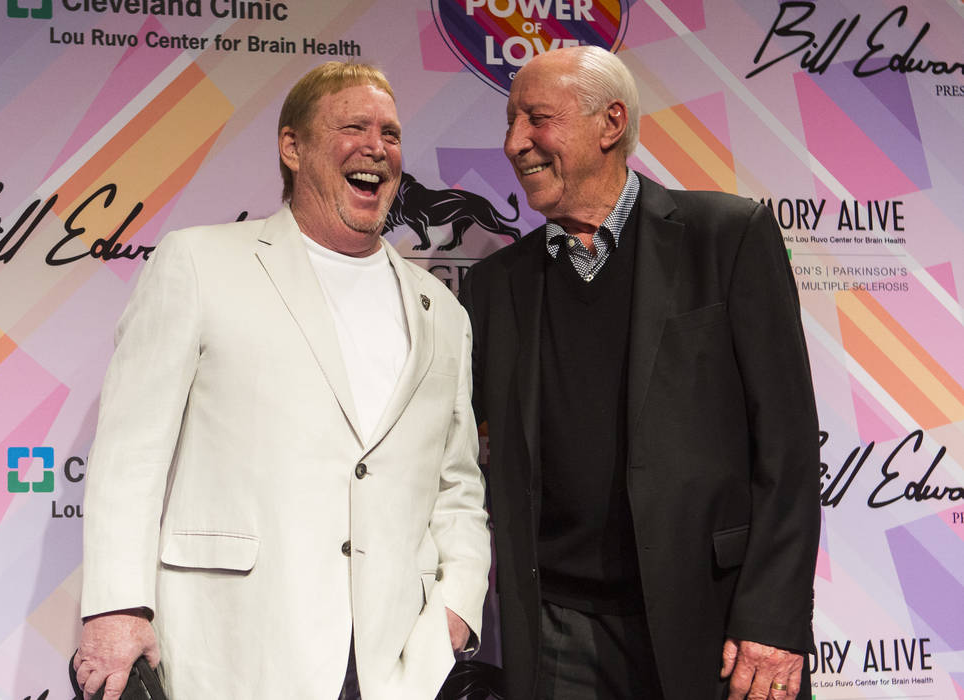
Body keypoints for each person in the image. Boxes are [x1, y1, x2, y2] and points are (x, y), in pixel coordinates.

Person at [73, 61, 490, 700]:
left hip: (397, 660)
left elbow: (457, 484)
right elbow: (131, 454)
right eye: (353, 126)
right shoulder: (198, 263)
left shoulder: (443, 312)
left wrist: (458, 604)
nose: (376, 147)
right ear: (292, 147)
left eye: (391, 132)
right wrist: (115, 607)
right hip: (237, 644)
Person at [459, 46, 820, 699]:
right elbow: (449, 454)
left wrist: (773, 617)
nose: (514, 143)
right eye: (509, 124)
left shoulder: (728, 237)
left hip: (714, 624)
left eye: (536, 118)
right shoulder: (494, 287)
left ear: (610, 123)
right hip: (557, 636)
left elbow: (789, 450)